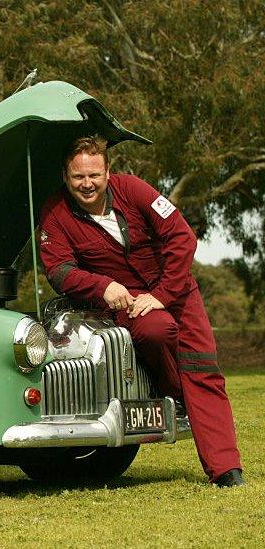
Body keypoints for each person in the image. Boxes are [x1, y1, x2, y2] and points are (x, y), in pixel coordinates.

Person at [38, 136, 244, 487]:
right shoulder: (54, 214)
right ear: (65, 176)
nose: (87, 184)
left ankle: (226, 470)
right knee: (156, 330)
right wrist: (102, 286)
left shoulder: (135, 189)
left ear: (107, 171)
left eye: (94, 175)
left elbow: (183, 238)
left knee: (203, 368)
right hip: (127, 302)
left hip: (177, 290)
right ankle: (176, 394)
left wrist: (163, 293)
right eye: (78, 177)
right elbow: (58, 271)